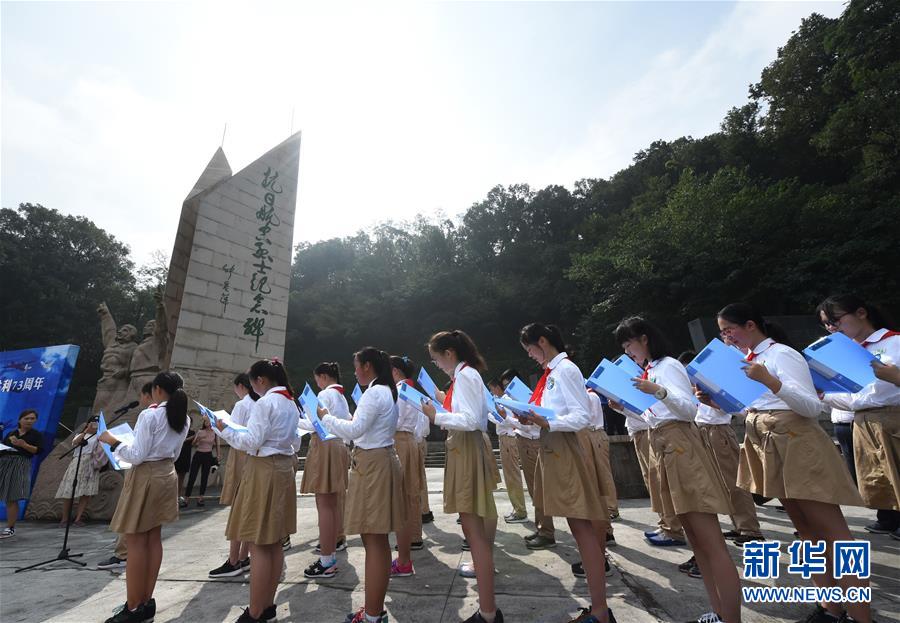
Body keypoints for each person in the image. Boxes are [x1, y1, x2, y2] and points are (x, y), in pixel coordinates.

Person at [717, 302, 872, 623]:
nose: (726, 338)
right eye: (722, 333)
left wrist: (771, 381)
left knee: (834, 533)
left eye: (729, 330)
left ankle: (861, 616)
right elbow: (756, 406)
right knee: (805, 529)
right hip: (769, 442)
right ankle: (830, 608)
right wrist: (720, 400)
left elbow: (810, 407)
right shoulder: (750, 361)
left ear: (750, 325)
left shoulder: (781, 355)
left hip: (797, 443)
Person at [613, 317, 739, 623]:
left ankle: (731, 617)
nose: (627, 351)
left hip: (681, 446)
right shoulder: (651, 371)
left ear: (644, 339)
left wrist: (657, 391)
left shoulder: (668, 366)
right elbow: (654, 415)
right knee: (695, 538)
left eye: (629, 344)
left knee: (710, 540)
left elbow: (688, 409)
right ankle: (718, 612)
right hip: (664, 445)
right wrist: (625, 407)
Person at [514, 323, 614, 623]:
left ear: (543, 342)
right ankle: (598, 608)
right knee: (578, 528)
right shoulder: (551, 374)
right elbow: (555, 414)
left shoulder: (566, 370)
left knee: (583, 530)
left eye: (530, 349)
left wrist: (548, 423)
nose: (530, 355)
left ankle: (600, 611)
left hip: (566, 449)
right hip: (553, 448)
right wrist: (531, 419)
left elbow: (581, 416)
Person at [421, 331, 503, 623]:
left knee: (474, 531)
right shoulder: (465, 376)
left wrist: (436, 416)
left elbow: (469, 420)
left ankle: (488, 612)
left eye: (436, 359)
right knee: (472, 529)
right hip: (464, 446)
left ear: (450, 353)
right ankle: (488, 609)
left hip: (466, 447)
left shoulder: (466, 376)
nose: (436, 365)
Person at [319, 347, 403, 623]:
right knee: (376, 540)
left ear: (367, 366)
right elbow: (359, 426)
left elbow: (355, 430)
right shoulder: (384, 391)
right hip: (378, 460)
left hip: (373, 465)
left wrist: (325, 417)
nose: (354, 372)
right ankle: (372, 611)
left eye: (356, 366)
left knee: (374, 540)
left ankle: (372, 615)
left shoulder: (375, 392)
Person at [98, 371, 190, 623]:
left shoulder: (150, 415)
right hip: (166, 474)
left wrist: (113, 441)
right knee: (153, 539)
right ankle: (146, 602)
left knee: (135, 541)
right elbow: (175, 453)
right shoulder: (183, 417)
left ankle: (133, 606)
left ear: (157, 390)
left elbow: (136, 455)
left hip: (146, 476)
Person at [215, 359, 300, 623]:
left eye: (252, 382)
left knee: (259, 543)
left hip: (264, 470)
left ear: (260, 380)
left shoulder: (265, 403)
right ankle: (267, 606)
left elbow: (251, 441)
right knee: (273, 542)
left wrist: (224, 430)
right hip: (283, 468)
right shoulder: (290, 402)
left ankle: (255, 612)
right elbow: (295, 441)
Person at [817, 295, 900, 540]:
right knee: (881, 481)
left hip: (893, 418)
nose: (832, 328)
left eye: (836, 320)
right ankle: (890, 519)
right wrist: (824, 394)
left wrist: (897, 378)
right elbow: (855, 400)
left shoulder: (894, 342)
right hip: (862, 422)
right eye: (826, 324)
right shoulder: (844, 352)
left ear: (861, 313)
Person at [677, 350, 764, 549]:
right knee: (722, 484)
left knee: (734, 482)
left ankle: (751, 530)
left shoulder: (715, 382)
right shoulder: (692, 388)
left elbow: (733, 408)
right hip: (702, 430)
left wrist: (709, 400)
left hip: (718, 431)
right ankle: (739, 525)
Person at [301, 362, 352, 580]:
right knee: (332, 504)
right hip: (338, 445)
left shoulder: (324, 395)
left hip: (325, 446)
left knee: (324, 505)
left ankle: (326, 560)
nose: (317, 383)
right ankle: (330, 554)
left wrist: (294, 420)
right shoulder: (341, 396)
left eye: (317, 379)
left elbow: (315, 423)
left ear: (322, 376)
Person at [209, 373, 258, 579]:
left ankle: (233, 560)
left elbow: (232, 433)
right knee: (249, 508)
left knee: (239, 508)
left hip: (241, 455)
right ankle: (244, 556)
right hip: (255, 457)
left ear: (241, 386)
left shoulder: (242, 404)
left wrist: (215, 425)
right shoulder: (260, 402)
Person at [501, 368, 556, 550]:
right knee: (535, 490)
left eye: (509, 385)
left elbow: (532, 428)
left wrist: (509, 419)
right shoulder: (525, 399)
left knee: (538, 489)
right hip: (525, 442)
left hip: (532, 443)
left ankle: (546, 532)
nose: (507, 390)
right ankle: (542, 528)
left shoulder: (529, 398)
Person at [389, 355, 426, 578]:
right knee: (412, 491)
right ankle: (414, 535)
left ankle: (409, 538)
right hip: (410, 440)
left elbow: (395, 419)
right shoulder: (411, 389)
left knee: (403, 492)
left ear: (395, 371)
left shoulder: (400, 390)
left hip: (400, 440)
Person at [488, 378, 528, 524]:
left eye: (492, 389)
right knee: (510, 476)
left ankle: (520, 511)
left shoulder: (506, 401)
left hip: (509, 438)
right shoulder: (502, 401)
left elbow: (506, 420)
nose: (492, 392)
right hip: (505, 438)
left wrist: (490, 413)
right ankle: (517, 508)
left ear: (497, 388)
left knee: (512, 476)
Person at [0, 409, 43, 539]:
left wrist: (23, 445)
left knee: (12, 496)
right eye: (26, 418)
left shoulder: (36, 435)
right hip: (4, 462)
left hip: (20, 464)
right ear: (20, 420)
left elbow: (38, 450)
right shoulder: (11, 433)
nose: (29, 421)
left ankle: (10, 527)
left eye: (32, 419)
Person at [55, 416, 104, 527]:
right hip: (78, 461)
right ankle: (64, 518)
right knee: (69, 490)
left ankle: (78, 518)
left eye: (97, 423)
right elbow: (75, 442)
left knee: (86, 492)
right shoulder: (80, 434)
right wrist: (86, 431)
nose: (95, 425)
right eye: (93, 422)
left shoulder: (99, 437)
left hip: (91, 464)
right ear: (88, 423)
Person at [184, 416, 218, 506]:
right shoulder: (200, 431)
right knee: (192, 476)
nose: (207, 423)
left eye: (208, 421)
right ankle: (186, 499)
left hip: (208, 455)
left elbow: (217, 444)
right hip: (198, 454)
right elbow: (193, 444)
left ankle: (200, 498)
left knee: (204, 477)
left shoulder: (214, 432)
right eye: (205, 421)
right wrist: (198, 439)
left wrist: (218, 455)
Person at [175, 416, 196, 508]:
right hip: (178, 455)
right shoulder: (179, 431)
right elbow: (180, 441)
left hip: (186, 455)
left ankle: (179, 495)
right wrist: (190, 438)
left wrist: (195, 437)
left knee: (182, 476)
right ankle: (173, 495)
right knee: (175, 476)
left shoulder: (192, 432)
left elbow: (194, 442)